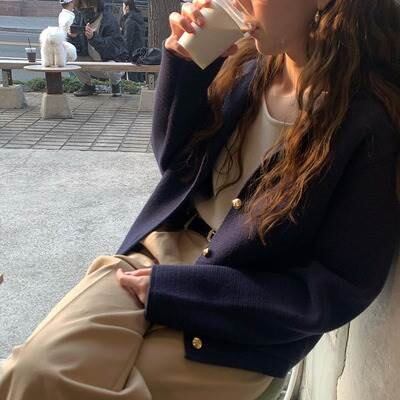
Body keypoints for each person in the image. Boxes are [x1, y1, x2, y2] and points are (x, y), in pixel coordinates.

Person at [1, 0, 400, 399]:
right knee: (30, 372)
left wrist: (184, 292)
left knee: (77, 388)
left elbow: (338, 286)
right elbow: (177, 166)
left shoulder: (365, 125)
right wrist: (184, 66)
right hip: (156, 256)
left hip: (241, 322)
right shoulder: (246, 67)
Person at [68, 0, 129, 97]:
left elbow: (112, 50)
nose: (85, 10)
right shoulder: (79, 18)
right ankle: (87, 85)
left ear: (96, 6)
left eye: (88, 8)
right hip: (91, 60)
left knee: (113, 66)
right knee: (72, 58)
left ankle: (116, 84)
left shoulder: (109, 19)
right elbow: (76, 50)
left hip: (109, 61)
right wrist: (72, 37)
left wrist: (93, 38)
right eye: (82, 8)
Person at [120, 0, 146, 82]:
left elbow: (127, 40)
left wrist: (124, 55)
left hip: (132, 53)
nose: (122, 9)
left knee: (132, 78)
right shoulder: (139, 18)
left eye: (123, 7)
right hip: (140, 51)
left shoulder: (129, 21)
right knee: (139, 77)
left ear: (127, 7)